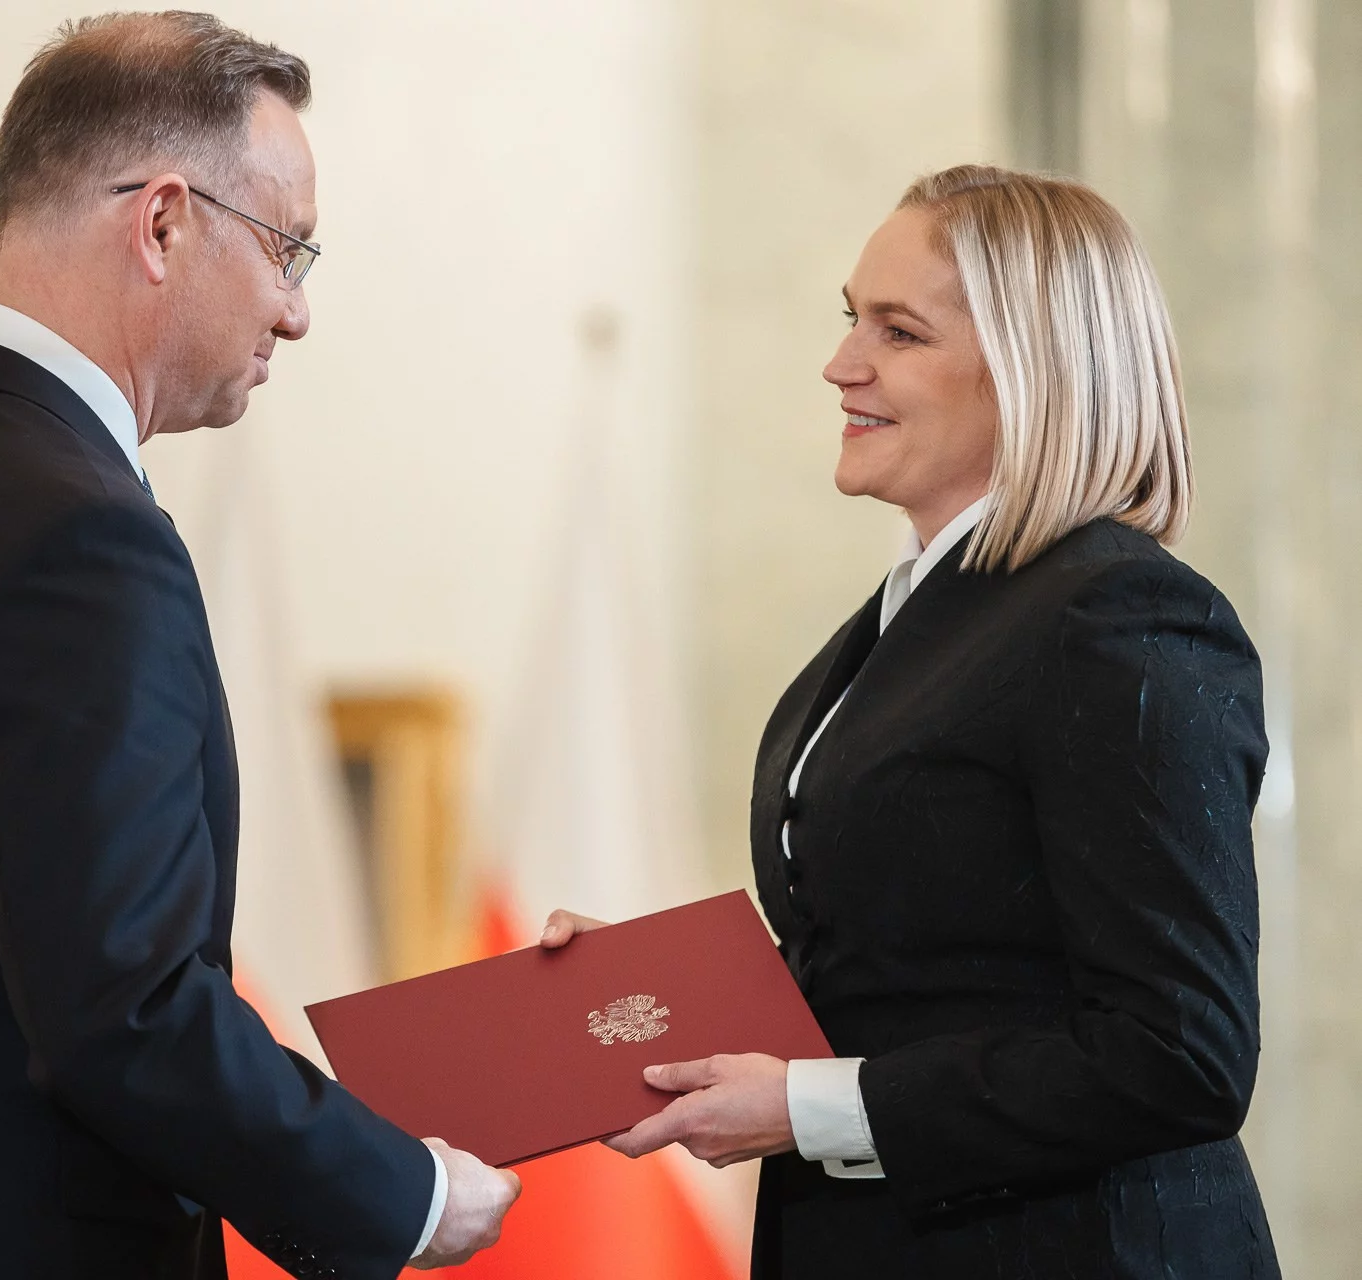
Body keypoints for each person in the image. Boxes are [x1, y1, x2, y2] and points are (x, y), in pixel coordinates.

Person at [0, 14, 518, 1280]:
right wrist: (401, 1191)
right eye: (289, 249)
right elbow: (123, 1011)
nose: (296, 312)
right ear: (164, 223)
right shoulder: (78, 534)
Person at [543, 164, 1280, 1277]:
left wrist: (809, 1104)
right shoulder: (911, 618)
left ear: (1035, 371)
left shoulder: (1119, 614)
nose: (840, 364)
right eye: (851, 318)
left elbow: (1178, 1050)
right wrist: (649, 996)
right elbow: (902, 959)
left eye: (898, 331)